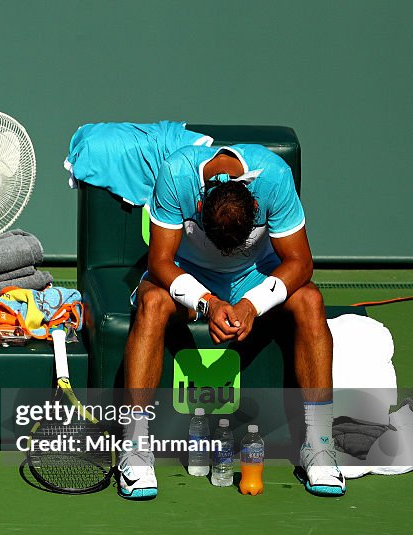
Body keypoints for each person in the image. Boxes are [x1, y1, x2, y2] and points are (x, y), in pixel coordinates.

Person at [118, 143, 344, 500]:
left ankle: (318, 445)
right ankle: (135, 446)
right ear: (197, 206)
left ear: (256, 206)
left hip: (256, 275)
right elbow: (160, 261)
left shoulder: (274, 177)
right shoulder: (176, 174)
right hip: (191, 274)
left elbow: (301, 262)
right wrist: (207, 302)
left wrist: (252, 304)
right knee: (151, 302)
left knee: (311, 300)